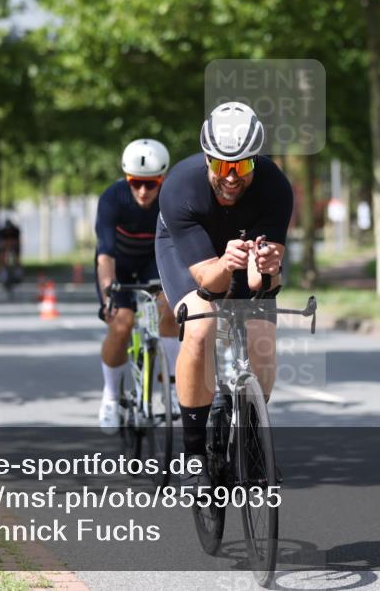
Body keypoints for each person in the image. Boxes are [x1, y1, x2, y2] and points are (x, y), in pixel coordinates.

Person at [155, 102, 292, 484]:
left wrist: (266, 270)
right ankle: (195, 453)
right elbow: (209, 284)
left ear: (255, 161)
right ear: (207, 159)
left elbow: (262, 287)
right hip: (191, 255)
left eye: (242, 166)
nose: (231, 177)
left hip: (243, 245)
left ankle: (251, 442)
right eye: (221, 165)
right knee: (200, 327)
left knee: (262, 336)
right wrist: (226, 263)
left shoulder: (275, 187)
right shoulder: (181, 188)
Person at [95, 138, 181, 434]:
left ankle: (171, 386)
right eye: (135, 183)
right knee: (122, 322)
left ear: (163, 178)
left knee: (169, 311)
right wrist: (108, 292)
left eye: (151, 183)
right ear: (126, 179)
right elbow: (104, 253)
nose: (143, 191)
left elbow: (181, 247)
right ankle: (110, 396)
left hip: (153, 262)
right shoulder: (112, 198)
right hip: (119, 264)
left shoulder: (173, 199)